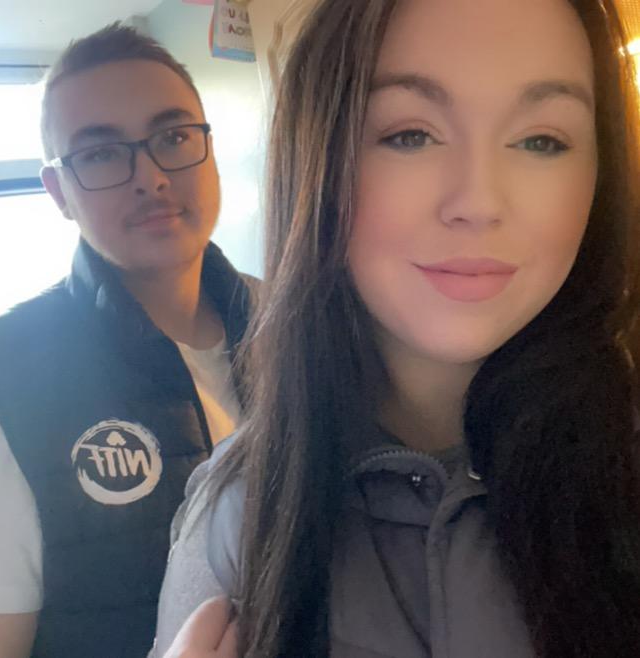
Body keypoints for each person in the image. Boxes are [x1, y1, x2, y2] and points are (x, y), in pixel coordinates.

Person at [154, 0, 640, 656]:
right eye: (411, 135)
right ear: (317, 163)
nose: (479, 202)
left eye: (541, 140)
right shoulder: (238, 516)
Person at [0, 23, 254, 658]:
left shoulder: (299, 323)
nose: (151, 177)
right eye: (102, 154)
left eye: (174, 137)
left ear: (210, 151)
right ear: (59, 193)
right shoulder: (2, 378)